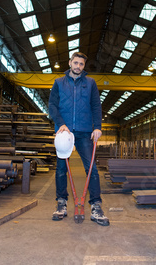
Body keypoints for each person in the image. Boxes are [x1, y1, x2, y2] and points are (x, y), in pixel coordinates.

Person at [48, 51, 109, 226]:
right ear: (69, 63)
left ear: (83, 66)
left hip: (84, 132)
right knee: (61, 169)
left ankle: (96, 206)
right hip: (64, 133)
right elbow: (52, 105)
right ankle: (61, 203)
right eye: (75, 63)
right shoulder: (59, 83)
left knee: (92, 169)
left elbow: (96, 106)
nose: (78, 66)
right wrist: (60, 124)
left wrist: (97, 127)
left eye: (81, 64)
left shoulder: (90, 83)